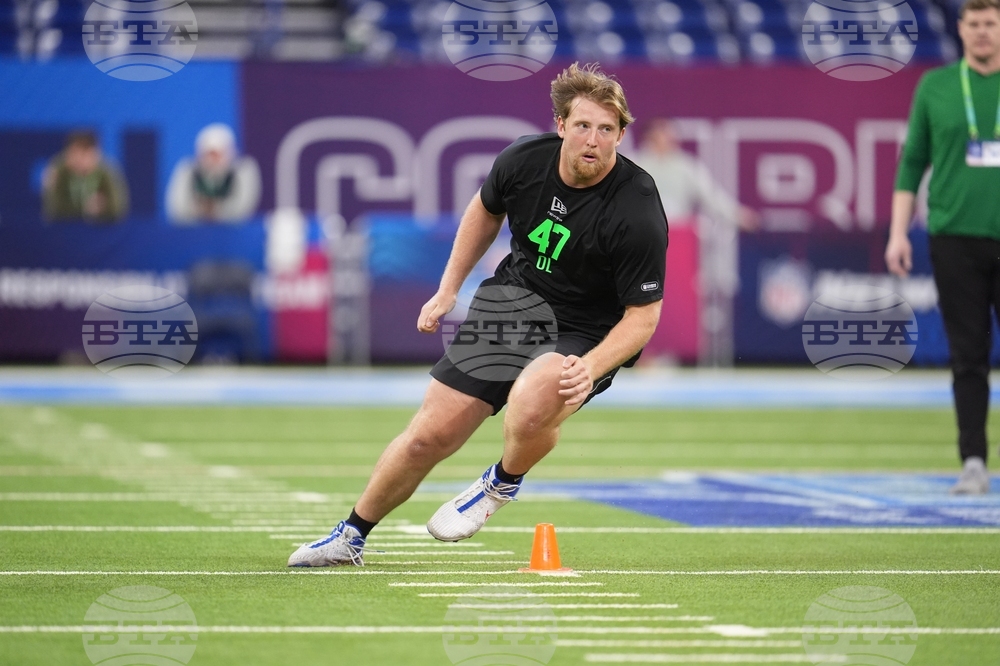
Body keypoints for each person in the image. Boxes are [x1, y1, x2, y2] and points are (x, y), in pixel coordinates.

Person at [288, 62, 669, 567]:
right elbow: (484, 210)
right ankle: (350, 536)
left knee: (536, 396)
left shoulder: (637, 206)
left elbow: (643, 316)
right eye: (582, 125)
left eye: (606, 129)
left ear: (621, 135)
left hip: (587, 328)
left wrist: (592, 367)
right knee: (430, 433)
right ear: (560, 125)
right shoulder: (523, 160)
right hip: (513, 301)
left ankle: (499, 485)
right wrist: (448, 290)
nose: (593, 140)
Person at [886, 0, 1000, 495]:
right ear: (961, 29)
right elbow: (912, 163)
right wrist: (897, 231)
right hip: (954, 237)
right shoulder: (935, 85)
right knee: (968, 356)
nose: (982, 33)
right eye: (974, 24)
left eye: (990, 24)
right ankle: (973, 460)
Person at [632, 118, 758, 232]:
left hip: (677, 237)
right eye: (664, 133)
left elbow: (712, 197)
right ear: (650, 136)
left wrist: (738, 215)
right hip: (640, 236)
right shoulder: (632, 165)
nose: (671, 138)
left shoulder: (685, 166)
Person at [166, 123, 261, 224]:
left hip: (233, 236)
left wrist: (214, 210)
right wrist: (202, 210)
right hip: (195, 236)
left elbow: (243, 208)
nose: (213, 160)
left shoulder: (243, 171)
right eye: (209, 154)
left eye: (218, 154)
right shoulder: (188, 170)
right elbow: (177, 209)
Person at [42, 131, 129, 223]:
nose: (79, 160)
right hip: (64, 230)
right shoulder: (57, 169)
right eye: (74, 154)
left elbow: (119, 208)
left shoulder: (107, 171)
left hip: (100, 231)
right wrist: (85, 208)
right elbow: (52, 208)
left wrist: (102, 208)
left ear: (95, 154)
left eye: (84, 154)